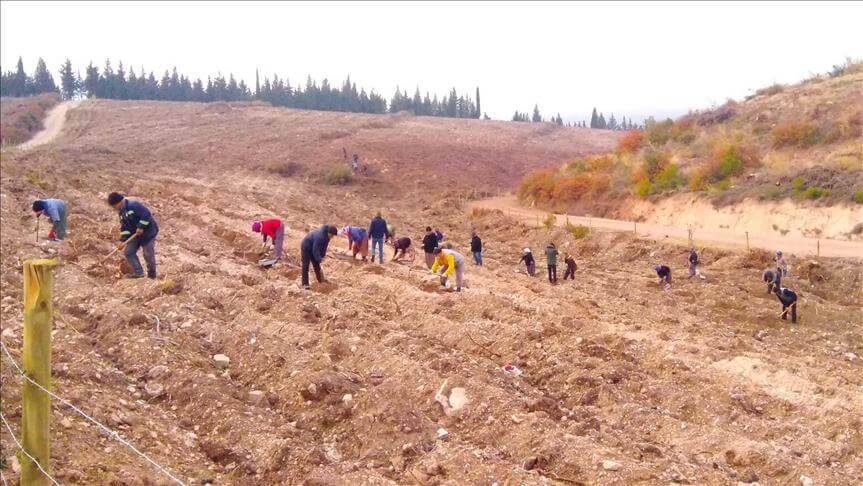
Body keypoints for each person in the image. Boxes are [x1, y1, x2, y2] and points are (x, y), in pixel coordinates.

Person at [107, 192, 159, 279]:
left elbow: (146, 215)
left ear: (118, 202)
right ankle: (139, 273)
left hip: (148, 233)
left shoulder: (133, 205)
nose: (114, 208)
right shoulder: (121, 212)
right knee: (129, 252)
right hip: (135, 235)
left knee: (148, 255)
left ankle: (152, 276)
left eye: (114, 206)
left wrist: (141, 226)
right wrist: (122, 241)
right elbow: (124, 227)